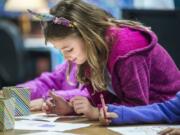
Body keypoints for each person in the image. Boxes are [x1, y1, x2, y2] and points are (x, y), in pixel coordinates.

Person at [21, 0, 180, 120]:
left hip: (162, 114)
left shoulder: (126, 51)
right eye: (60, 50)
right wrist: (71, 107)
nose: (66, 57)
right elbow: (50, 81)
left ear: (87, 36)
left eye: (68, 49)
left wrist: (90, 110)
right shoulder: (83, 54)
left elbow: (137, 107)